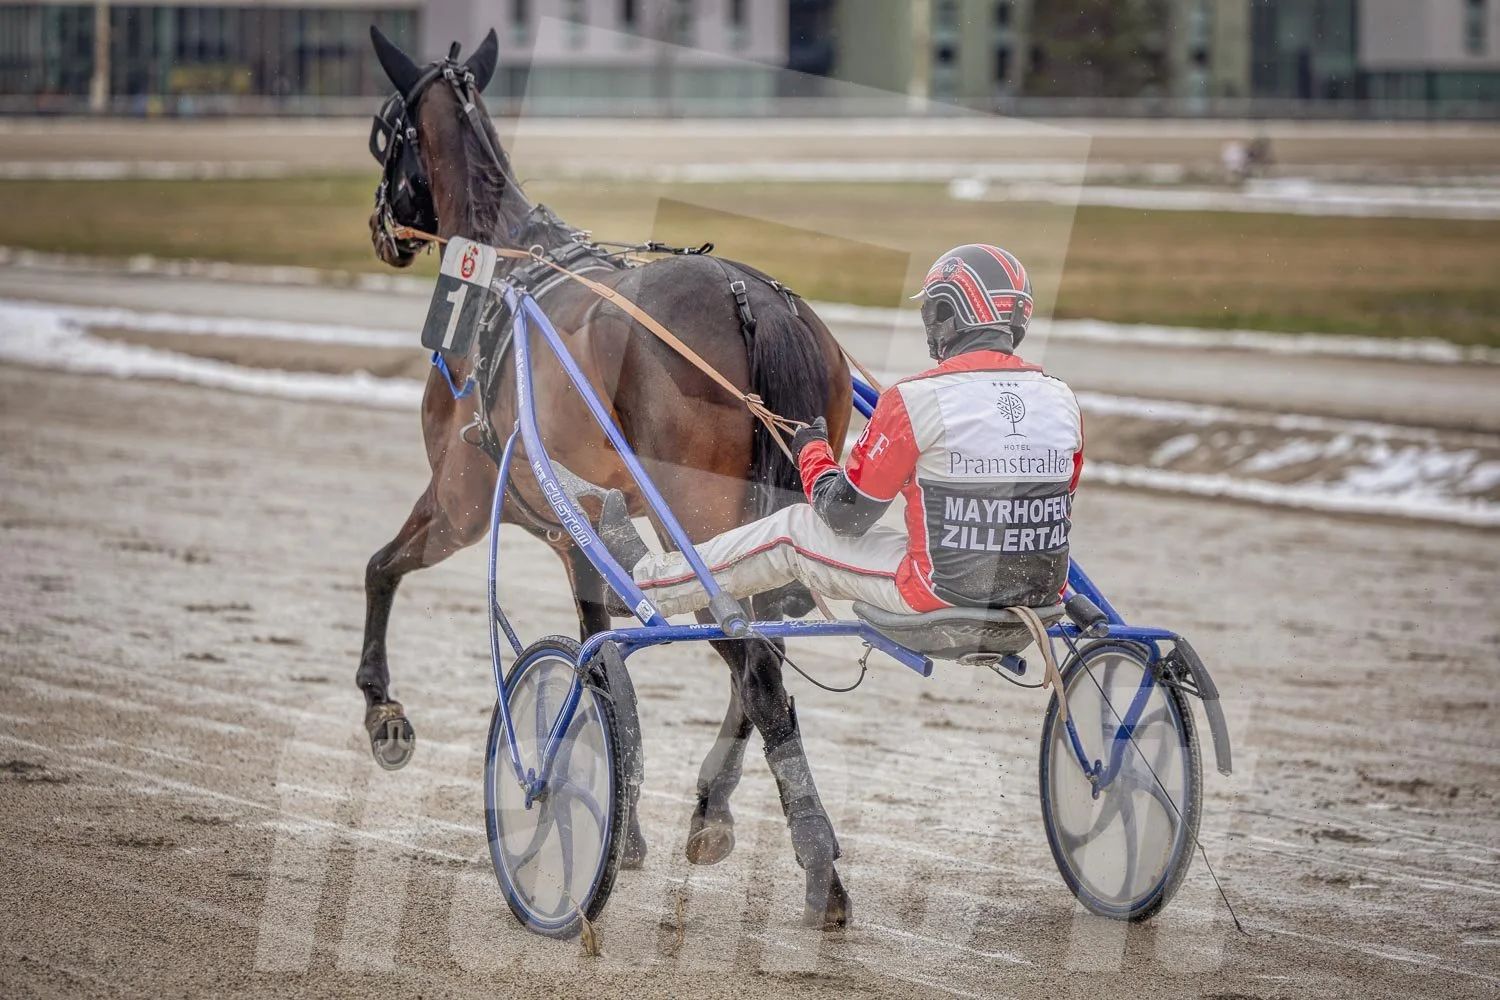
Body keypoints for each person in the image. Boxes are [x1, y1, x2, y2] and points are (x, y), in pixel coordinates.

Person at [596, 243, 1083, 618]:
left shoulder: (912, 401)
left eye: (933, 312)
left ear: (950, 317)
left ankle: (646, 587)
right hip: (1043, 588)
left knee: (793, 529)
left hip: (940, 590)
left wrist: (811, 452)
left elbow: (844, 517)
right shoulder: (1061, 398)